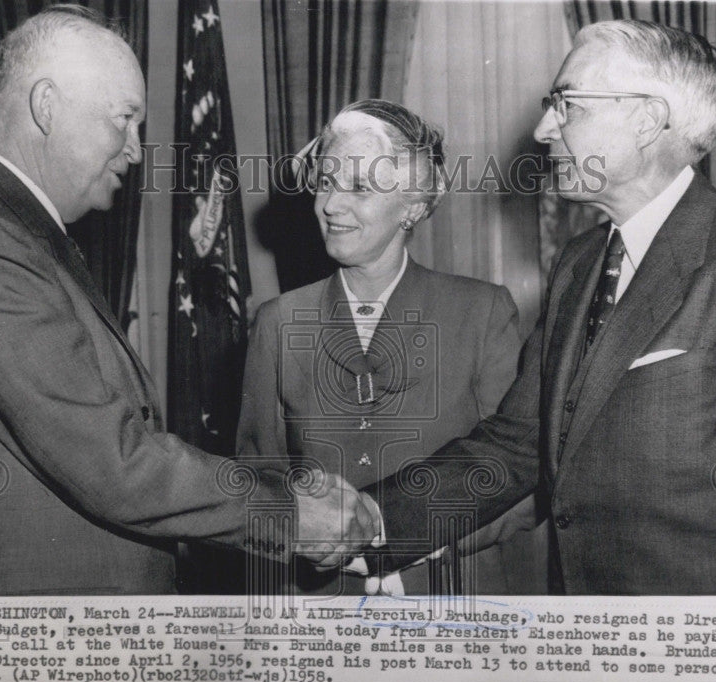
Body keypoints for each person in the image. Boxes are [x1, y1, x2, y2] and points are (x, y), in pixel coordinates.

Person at [0, 5, 376, 597]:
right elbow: (113, 464)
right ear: (46, 106)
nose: (136, 150)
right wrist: (289, 514)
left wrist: (281, 484)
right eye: (123, 119)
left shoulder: (21, 236)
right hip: (41, 647)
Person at [362, 21, 716, 595]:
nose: (541, 128)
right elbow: (516, 443)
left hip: (691, 655)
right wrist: (368, 521)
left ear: (647, 119)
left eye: (567, 104)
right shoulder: (580, 262)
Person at [231, 99, 543, 595]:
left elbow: (522, 485)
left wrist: (410, 542)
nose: (331, 205)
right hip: (320, 612)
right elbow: (255, 485)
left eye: (359, 187)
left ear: (413, 206)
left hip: (450, 602)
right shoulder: (279, 322)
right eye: (327, 183)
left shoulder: (481, 312)